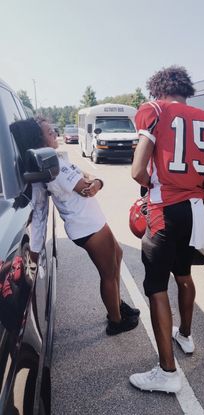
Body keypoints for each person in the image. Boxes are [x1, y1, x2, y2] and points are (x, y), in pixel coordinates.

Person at [129, 66, 204, 393]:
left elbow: (138, 171)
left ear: (157, 90)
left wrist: (157, 187)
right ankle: (185, 335)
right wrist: (190, 188)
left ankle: (167, 372)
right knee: (184, 275)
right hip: (194, 211)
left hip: (163, 209)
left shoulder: (155, 110)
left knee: (156, 286)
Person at [10, 118, 140, 336]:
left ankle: (117, 305)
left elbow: (88, 179)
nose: (54, 132)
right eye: (48, 131)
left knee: (117, 255)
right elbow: (85, 187)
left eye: (53, 129)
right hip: (86, 226)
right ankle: (116, 321)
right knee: (108, 273)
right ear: (38, 138)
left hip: (91, 221)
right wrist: (96, 182)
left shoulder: (53, 160)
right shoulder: (53, 165)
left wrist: (95, 181)